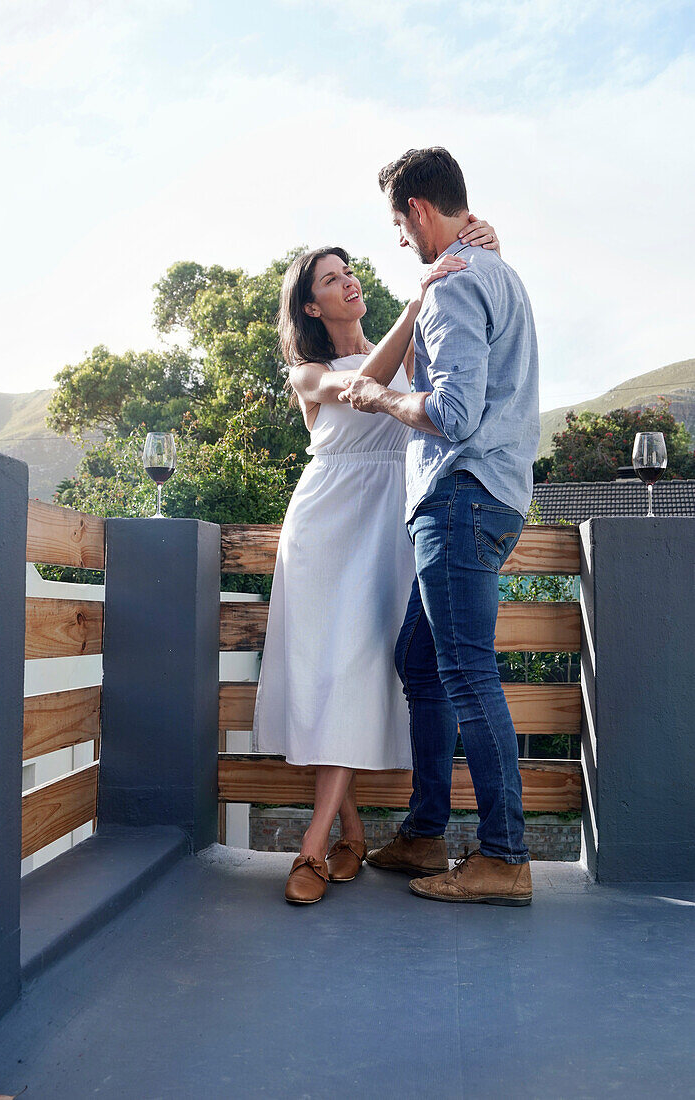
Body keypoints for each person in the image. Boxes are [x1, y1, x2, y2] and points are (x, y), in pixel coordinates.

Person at [253, 217, 501, 904]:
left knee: (363, 667)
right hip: (325, 524)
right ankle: (339, 837)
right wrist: (417, 304)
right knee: (328, 671)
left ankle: (325, 843)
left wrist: (478, 255)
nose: (348, 280)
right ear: (311, 305)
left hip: (390, 519)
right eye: (331, 279)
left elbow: (451, 385)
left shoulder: (411, 346)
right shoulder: (307, 372)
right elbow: (363, 383)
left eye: (348, 270)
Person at [342, 146, 540, 906]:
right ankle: (426, 832)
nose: (400, 239)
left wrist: (385, 401)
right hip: (487, 494)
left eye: (399, 223)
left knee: (463, 671)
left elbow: (454, 413)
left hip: (460, 495)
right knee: (421, 662)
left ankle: (505, 856)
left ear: (420, 211)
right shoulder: (497, 271)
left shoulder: (456, 283)